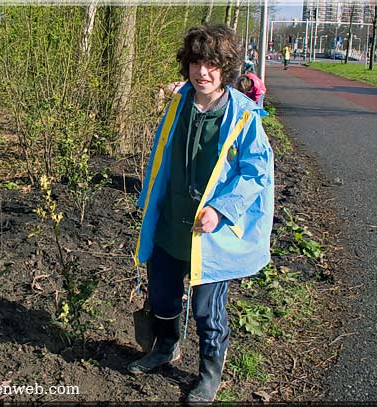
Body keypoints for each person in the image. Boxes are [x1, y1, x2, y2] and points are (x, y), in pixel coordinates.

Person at [128, 24, 274, 403]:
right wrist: (149, 199)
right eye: (196, 63)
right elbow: (161, 157)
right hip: (170, 221)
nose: (202, 72)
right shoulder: (178, 105)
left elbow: (256, 173)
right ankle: (165, 347)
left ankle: (210, 373)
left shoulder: (244, 116)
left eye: (211, 64)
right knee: (162, 294)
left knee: (208, 310)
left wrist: (222, 210)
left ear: (225, 68)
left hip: (211, 232)